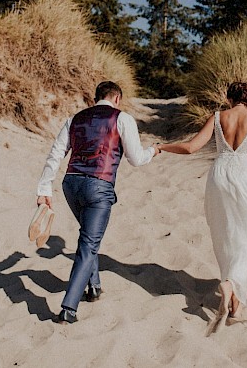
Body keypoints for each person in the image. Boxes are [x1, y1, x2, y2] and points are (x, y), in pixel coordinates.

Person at [157, 81, 247, 323]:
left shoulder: (218, 117)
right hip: (244, 177)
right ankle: (230, 284)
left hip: (219, 176)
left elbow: (191, 147)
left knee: (227, 236)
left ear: (229, 99)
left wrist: (162, 146)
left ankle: (235, 303)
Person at [36, 80, 158, 324]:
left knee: (87, 237)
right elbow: (136, 158)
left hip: (70, 184)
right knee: (89, 243)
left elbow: (56, 153)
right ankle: (69, 307)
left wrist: (44, 187)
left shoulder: (75, 119)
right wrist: (153, 151)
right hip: (99, 186)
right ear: (117, 99)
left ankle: (94, 286)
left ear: (96, 98)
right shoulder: (122, 119)